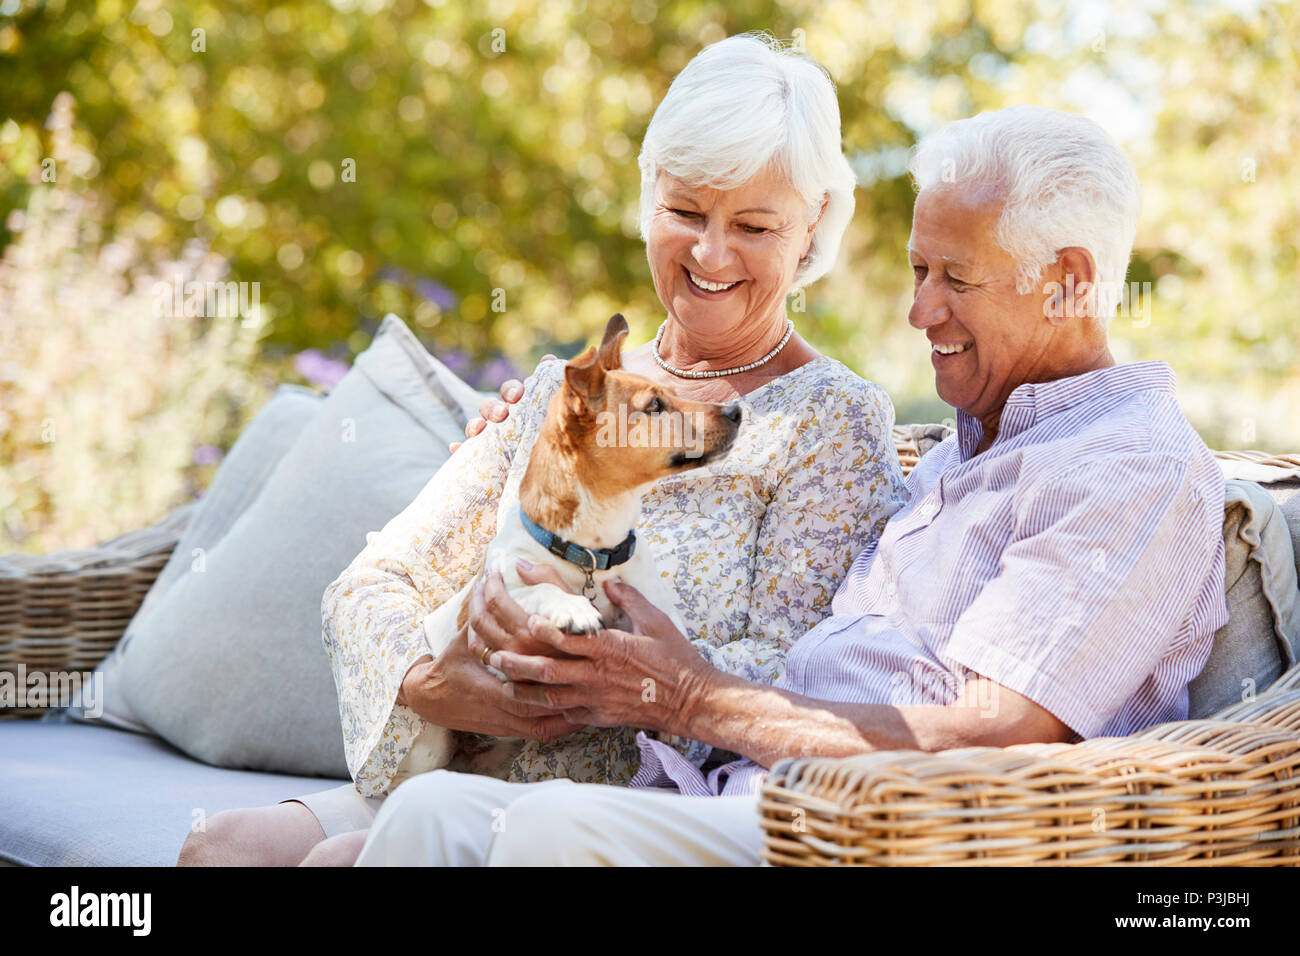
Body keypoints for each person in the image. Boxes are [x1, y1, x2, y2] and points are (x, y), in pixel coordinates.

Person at [351, 104, 1229, 866]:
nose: (920, 312)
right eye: (920, 271)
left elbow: (993, 731)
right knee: (431, 813)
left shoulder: (1129, 468)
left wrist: (689, 694)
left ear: (1069, 283)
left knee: (551, 832)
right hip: (740, 791)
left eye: (956, 279)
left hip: (871, 832)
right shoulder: (967, 451)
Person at [176, 33, 908, 867]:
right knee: (219, 847)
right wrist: (436, 682)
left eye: (753, 224)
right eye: (685, 212)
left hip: (633, 796)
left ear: (812, 226)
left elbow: (796, 670)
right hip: (476, 751)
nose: (710, 253)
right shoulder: (564, 392)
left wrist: (603, 673)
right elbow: (374, 583)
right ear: (648, 196)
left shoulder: (831, 419)